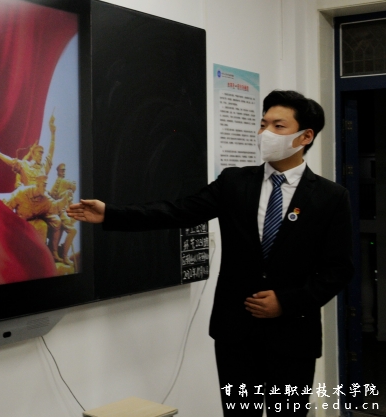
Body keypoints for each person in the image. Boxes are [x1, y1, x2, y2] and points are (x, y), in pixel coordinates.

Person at [68, 90, 353, 417]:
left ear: (305, 136)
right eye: (263, 124)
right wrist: (112, 213)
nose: (265, 133)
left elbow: (338, 270)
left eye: (278, 126)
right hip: (236, 333)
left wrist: (286, 302)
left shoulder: (330, 197)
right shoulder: (235, 182)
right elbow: (179, 211)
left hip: (293, 335)